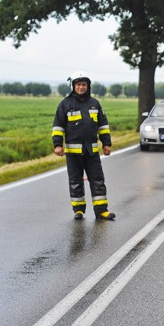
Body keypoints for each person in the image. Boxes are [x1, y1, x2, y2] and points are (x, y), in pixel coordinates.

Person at [52, 76, 116, 220]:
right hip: (73, 153)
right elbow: (58, 127)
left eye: (84, 85)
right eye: (78, 85)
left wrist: (106, 144)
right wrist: (58, 145)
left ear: (88, 86)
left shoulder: (95, 104)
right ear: (73, 86)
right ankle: (79, 210)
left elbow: (103, 126)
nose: (81, 87)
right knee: (75, 181)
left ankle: (101, 211)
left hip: (91, 151)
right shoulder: (65, 104)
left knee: (98, 180)